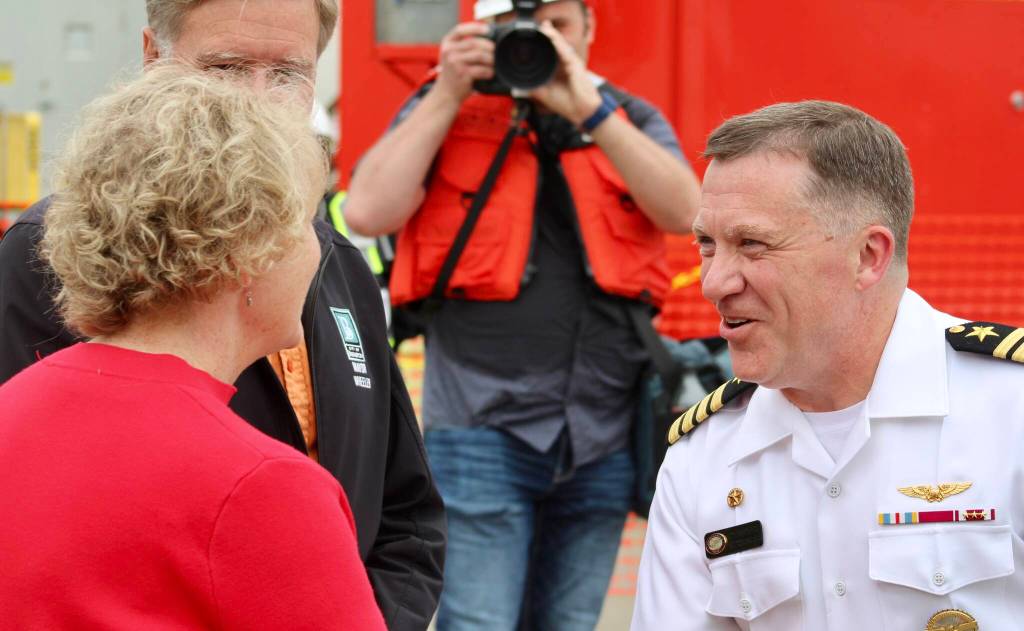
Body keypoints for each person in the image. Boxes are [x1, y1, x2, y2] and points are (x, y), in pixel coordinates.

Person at [0, 2, 445, 628]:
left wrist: (352, 609)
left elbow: (405, 509)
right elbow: (44, 530)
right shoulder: (49, 248)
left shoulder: (331, 255)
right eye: (227, 67)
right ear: (153, 57)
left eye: (287, 73)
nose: (259, 100)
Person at [344, 0, 701, 628]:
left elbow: (686, 212)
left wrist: (589, 108)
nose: (541, 42)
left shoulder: (625, 115)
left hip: (603, 431)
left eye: (557, 26)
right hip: (481, 424)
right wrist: (448, 90)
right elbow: (368, 210)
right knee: (479, 622)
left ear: (588, 29)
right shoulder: (448, 105)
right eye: (519, 27)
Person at [631, 100, 1024, 630]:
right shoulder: (702, 457)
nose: (714, 283)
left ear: (867, 256)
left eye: (753, 244)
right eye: (707, 244)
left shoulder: (1011, 414)